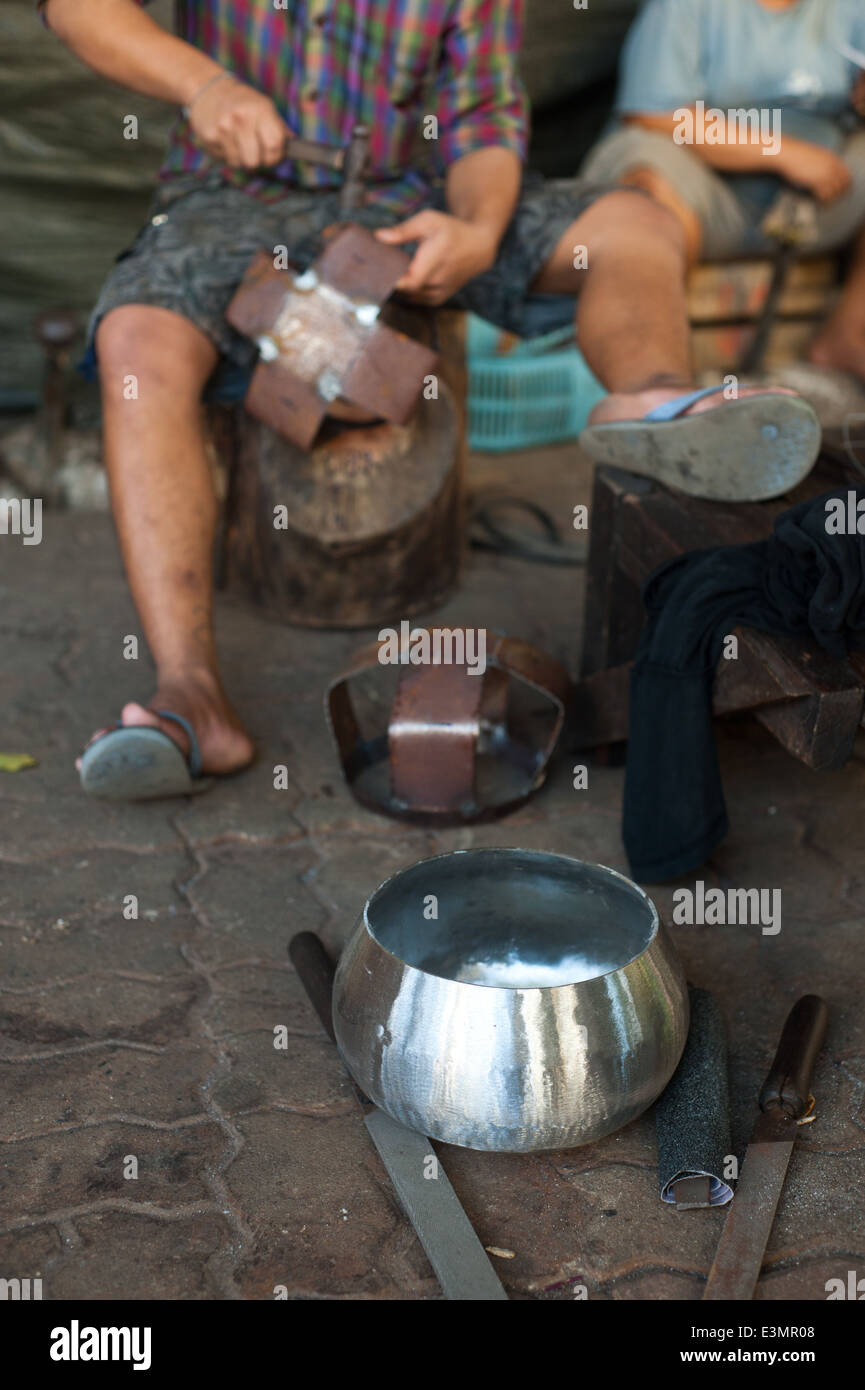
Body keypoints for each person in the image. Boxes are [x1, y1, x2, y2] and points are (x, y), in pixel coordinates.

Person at [40, 0, 820, 800]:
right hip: (229, 202)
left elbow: (482, 121)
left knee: (632, 224)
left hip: (409, 202)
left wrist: (478, 230)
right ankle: (190, 696)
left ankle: (650, 398)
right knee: (136, 340)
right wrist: (201, 86)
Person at [581, 0, 865, 379]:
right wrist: (778, 151)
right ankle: (662, 381)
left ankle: (845, 339)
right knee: (646, 174)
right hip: (703, 193)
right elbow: (652, 114)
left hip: (809, 202)